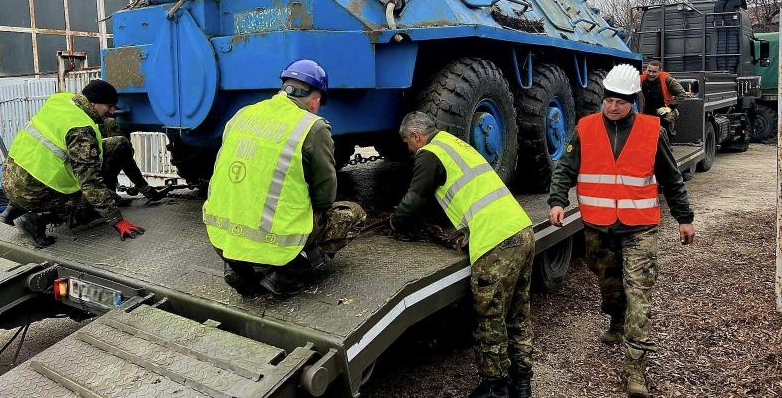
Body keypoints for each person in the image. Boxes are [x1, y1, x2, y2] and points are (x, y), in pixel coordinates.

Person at [548, 64, 695, 398]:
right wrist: (557, 201)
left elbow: (672, 179)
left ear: (634, 100)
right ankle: (616, 320)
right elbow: (564, 170)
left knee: (639, 294)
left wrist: (684, 217)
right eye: (608, 100)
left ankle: (636, 370)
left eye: (621, 101)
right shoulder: (585, 128)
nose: (613, 107)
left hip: (639, 228)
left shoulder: (651, 130)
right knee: (610, 286)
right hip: (598, 227)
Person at [390, 111, 535, 398]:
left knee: (490, 317)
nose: (409, 149)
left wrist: (396, 223)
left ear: (416, 136)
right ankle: (522, 382)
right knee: (518, 311)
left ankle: (495, 387)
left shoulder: (429, 154)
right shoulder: (453, 143)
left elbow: (414, 200)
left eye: (408, 142)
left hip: (495, 241)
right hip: (522, 229)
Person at [203, 59, 366, 297]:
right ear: (316, 100)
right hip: (278, 243)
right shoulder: (312, 127)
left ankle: (238, 267)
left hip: (222, 236)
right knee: (353, 214)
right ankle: (286, 274)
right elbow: (324, 197)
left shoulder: (242, 115)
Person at [0, 79, 145, 247]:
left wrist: (143, 186)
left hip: (11, 179)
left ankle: (13, 208)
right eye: (109, 106)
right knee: (93, 205)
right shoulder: (81, 130)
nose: (112, 112)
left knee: (116, 147)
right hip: (33, 191)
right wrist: (116, 219)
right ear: (94, 102)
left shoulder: (61, 101)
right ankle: (35, 219)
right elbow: (90, 183)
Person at [640, 60, 686, 139]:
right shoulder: (641, 78)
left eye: (654, 72)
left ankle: (668, 140)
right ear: (646, 69)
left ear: (660, 71)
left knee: (668, 117)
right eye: (649, 71)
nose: (651, 74)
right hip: (646, 109)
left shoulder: (667, 80)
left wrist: (669, 107)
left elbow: (682, 94)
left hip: (664, 108)